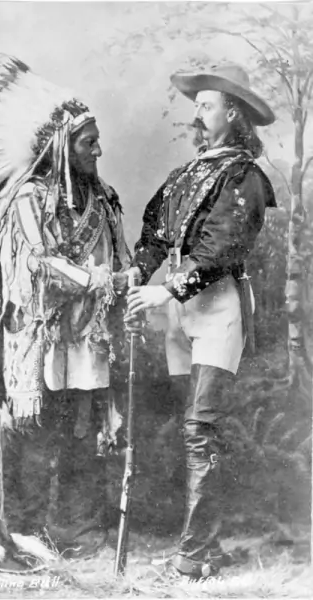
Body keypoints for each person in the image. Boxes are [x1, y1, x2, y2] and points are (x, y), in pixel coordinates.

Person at [0, 55, 134, 571]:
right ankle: (24, 530)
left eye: (98, 139)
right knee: (36, 434)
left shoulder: (103, 201)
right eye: (88, 142)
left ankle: (76, 529)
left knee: (83, 429)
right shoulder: (28, 202)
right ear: (61, 147)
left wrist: (123, 290)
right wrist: (97, 280)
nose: (99, 149)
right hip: (37, 337)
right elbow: (35, 265)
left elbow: (118, 258)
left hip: (86, 338)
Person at [126, 63, 277, 579]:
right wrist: (134, 275)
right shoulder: (184, 176)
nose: (197, 113)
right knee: (191, 429)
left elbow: (218, 251)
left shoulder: (245, 178)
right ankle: (204, 544)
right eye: (197, 105)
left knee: (200, 428)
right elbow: (153, 235)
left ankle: (193, 555)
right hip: (176, 314)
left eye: (206, 104)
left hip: (217, 310)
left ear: (232, 114)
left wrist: (164, 286)